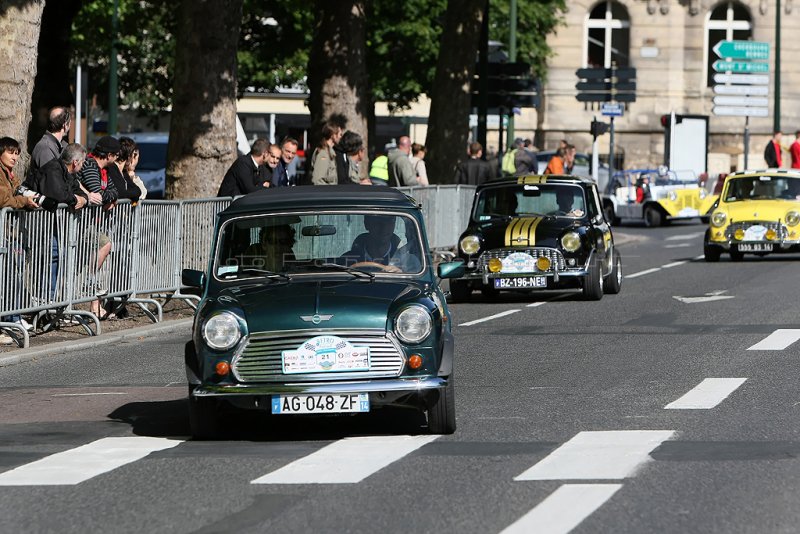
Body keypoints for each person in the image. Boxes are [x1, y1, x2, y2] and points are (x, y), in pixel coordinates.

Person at [0, 137, 39, 343]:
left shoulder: (9, 174)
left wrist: (28, 197)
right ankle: (11, 320)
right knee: (7, 276)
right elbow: (3, 199)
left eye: (17, 153)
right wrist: (24, 201)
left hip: (4, 234)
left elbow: (14, 191)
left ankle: (12, 319)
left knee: (11, 275)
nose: (15, 157)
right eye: (11, 152)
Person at [30, 106, 71, 174]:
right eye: (69, 123)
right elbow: (51, 180)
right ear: (65, 125)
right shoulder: (45, 148)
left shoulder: (58, 146)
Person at [108, 136, 143, 203]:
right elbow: (121, 193)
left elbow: (138, 191)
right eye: (133, 155)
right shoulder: (112, 168)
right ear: (130, 155)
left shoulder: (123, 172)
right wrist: (131, 195)